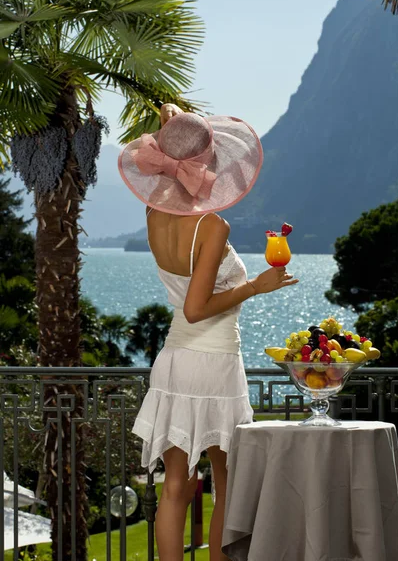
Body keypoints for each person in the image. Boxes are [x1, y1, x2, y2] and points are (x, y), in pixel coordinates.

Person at [118, 103, 299, 561]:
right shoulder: (212, 225)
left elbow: (186, 304)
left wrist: (173, 128)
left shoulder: (152, 214)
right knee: (227, 485)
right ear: (209, 163)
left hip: (175, 361)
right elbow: (197, 309)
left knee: (174, 485)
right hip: (215, 363)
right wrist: (257, 286)